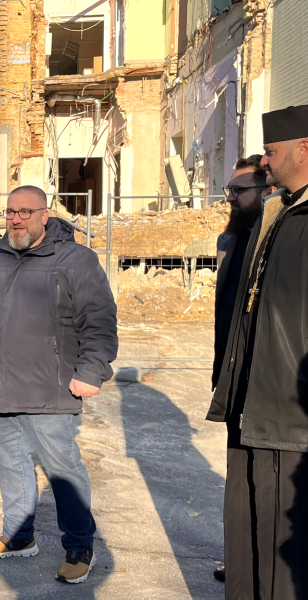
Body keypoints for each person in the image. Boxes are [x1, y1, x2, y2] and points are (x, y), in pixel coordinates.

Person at [0, 185, 118, 584]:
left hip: (48, 388)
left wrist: (91, 371)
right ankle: (19, 537)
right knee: (10, 464)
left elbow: (99, 320)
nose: (15, 219)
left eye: (25, 212)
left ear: (44, 216)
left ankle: (79, 546)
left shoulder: (75, 260)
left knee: (62, 469)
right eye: (10, 212)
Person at [208, 104, 308, 599]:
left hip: (291, 414)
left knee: (286, 548)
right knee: (245, 529)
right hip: (250, 401)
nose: (264, 162)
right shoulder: (275, 213)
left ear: (303, 149)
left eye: (270, 151)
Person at [211, 155, 275, 585]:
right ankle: (240, 560)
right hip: (233, 373)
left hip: (268, 380)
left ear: (265, 192)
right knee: (239, 476)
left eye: (239, 190)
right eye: (229, 190)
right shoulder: (230, 239)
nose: (230, 198)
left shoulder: (281, 240)